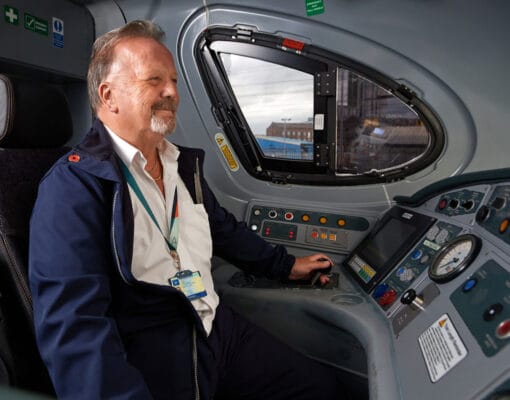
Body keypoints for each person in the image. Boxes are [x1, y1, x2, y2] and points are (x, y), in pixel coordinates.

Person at [29, 20, 346, 399]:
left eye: (174, 81)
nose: (171, 92)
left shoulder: (180, 165)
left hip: (214, 325)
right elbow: (77, 328)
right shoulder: (73, 187)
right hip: (157, 344)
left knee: (320, 390)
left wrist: (284, 265)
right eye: (154, 80)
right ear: (108, 95)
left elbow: (223, 229)